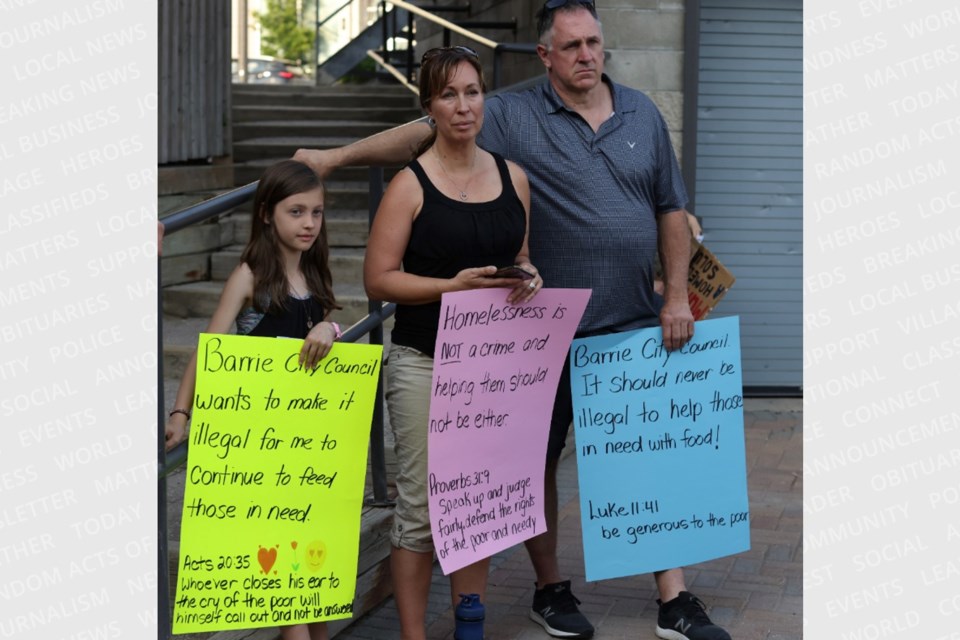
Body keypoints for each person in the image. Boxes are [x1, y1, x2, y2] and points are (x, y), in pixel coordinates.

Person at [294, 3, 732, 639]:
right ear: (544, 56)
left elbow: (671, 206)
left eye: (594, 43)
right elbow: (421, 132)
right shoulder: (510, 113)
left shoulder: (641, 112)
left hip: (633, 320)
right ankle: (550, 589)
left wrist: (674, 299)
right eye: (572, 46)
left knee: (647, 460)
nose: (587, 55)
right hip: (539, 335)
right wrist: (333, 160)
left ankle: (675, 599)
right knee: (531, 466)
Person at [362, 44, 540, 640]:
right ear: (428, 107)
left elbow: (517, 257)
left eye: (472, 92)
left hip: (491, 367)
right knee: (418, 509)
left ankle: (469, 622)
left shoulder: (513, 177)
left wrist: (529, 275)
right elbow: (378, 278)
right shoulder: (410, 185)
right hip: (424, 362)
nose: (463, 106)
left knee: (477, 500)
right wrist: (450, 287)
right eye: (448, 95)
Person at [163, 159, 342, 640]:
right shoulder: (250, 277)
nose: (309, 223)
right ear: (266, 214)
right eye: (296, 212)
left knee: (310, 579)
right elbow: (209, 349)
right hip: (260, 447)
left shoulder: (315, 270)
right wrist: (181, 412)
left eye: (318, 213)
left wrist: (332, 327)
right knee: (289, 593)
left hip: (304, 443)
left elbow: (324, 332)